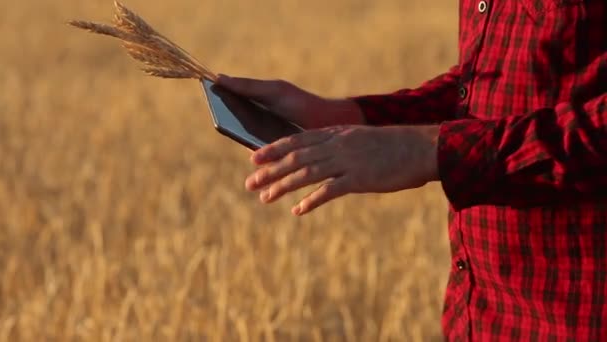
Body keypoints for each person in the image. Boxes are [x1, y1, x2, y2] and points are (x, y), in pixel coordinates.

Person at [217, 0, 606, 340]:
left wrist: (429, 151)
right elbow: (494, 79)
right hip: (482, 316)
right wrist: (353, 115)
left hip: (576, 319)